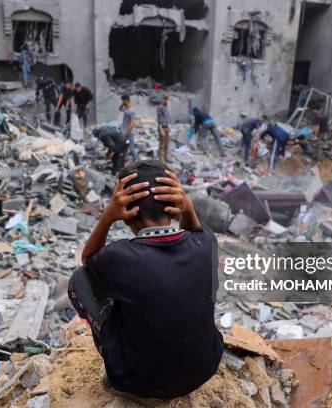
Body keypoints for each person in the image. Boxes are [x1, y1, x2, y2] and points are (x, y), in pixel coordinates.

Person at [68, 160, 224, 399]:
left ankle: (113, 354)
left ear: (126, 215)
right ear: (175, 205)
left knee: (79, 280)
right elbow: (197, 233)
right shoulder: (207, 244)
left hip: (136, 380)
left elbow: (87, 262)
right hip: (203, 369)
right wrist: (188, 209)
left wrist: (107, 217)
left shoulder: (118, 256)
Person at [120, 95, 137, 161]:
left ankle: (135, 161)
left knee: (132, 148)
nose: (122, 102)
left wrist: (126, 130)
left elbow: (133, 124)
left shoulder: (132, 111)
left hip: (129, 132)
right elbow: (120, 109)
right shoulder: (125, 109)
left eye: (123, 100)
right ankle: (123, 160)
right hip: (124, 131)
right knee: (123, 146)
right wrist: (122, 103)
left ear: (126, 100)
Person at [157, 95, 171, 162]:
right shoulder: (160, 107)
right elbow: (159, 118)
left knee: (167, 143)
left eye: (166, 99)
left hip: (166, 127)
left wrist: (168, 127)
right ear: (162, 100)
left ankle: (166, 157)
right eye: (164, 99)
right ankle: (160, 158)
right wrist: (161, 129)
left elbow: (167, 118)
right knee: (161, 144)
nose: (165, 101)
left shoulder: (167, 107)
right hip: (161, 127)